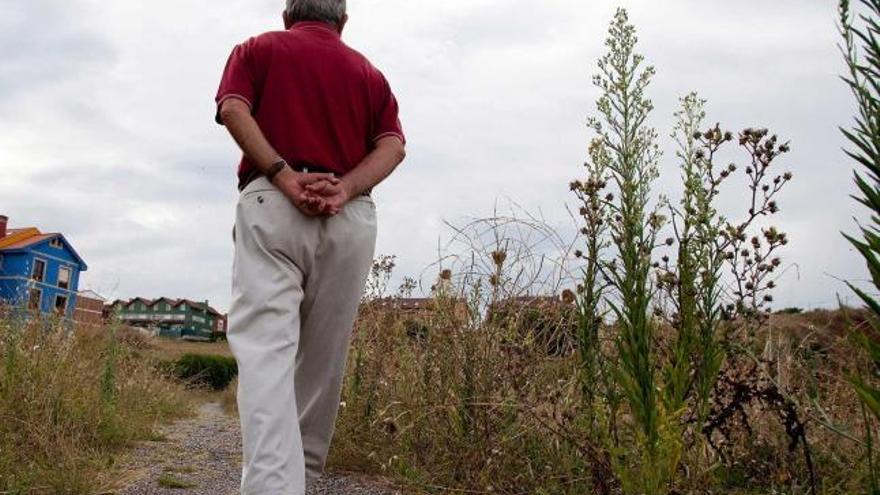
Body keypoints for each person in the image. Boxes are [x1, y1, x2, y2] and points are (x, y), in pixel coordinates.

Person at [213, 0, 406, 492]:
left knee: (266, 353)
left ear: (288, 16)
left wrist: (282, 174)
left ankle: (275, 485)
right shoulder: (370, 74)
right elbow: (393, 145)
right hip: (349, 215)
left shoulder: (257, 49)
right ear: (341, 22)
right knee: (323, 360)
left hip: (274, 206)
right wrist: (345, 188)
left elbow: (233, 107)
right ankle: (300, 476)